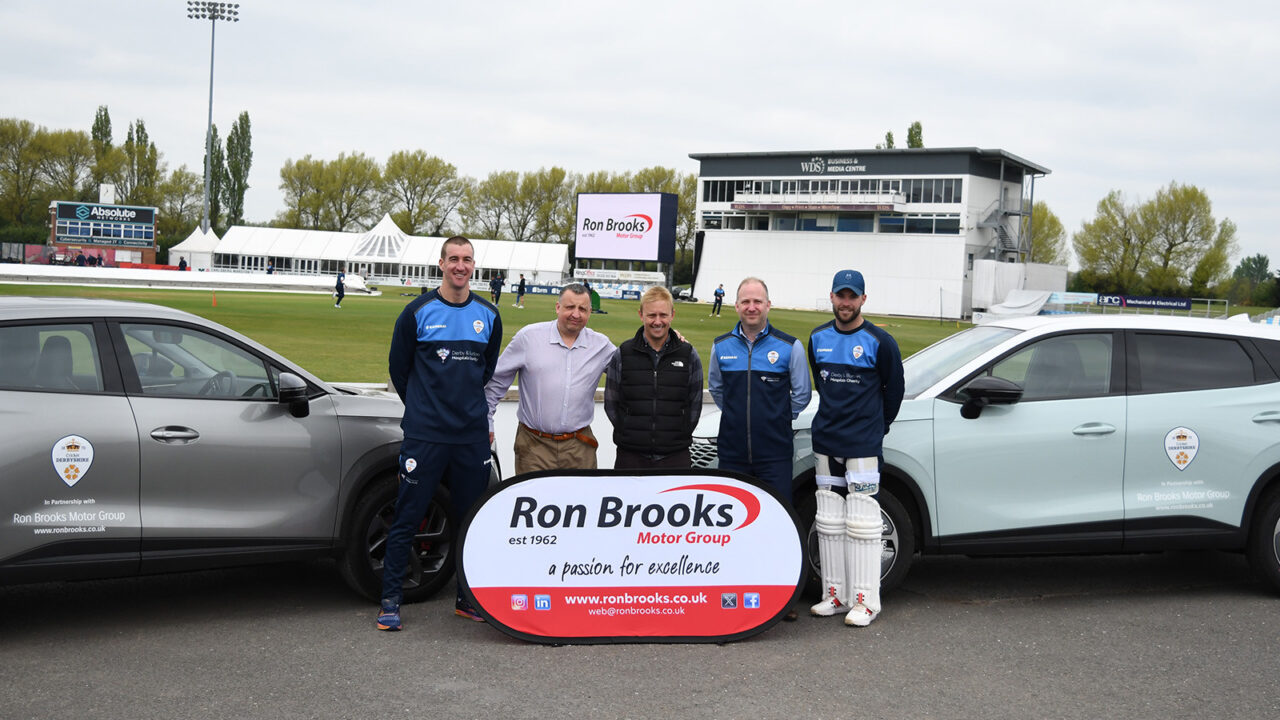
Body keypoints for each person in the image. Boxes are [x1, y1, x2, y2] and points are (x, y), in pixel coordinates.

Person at [378, 236, 502, 632]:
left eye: (467, 259)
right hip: (426, 436)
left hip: (470, 437)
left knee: (471, 519)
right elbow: (399, 370)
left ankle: (466, 599)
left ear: (473, 265)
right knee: (407, 516)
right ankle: (390, 600)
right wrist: (423, 408)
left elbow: (485, 370)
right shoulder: (417, 312)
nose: (460, 266)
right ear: (442, 264)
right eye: (454, 259)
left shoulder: (489, 315)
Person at [807, 269, 904, 628]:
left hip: (862, 442)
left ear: (863, 299)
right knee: (829, 519)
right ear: (832, 297)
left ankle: (866, 601)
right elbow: (823, 383)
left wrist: (877, 428)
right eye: (840, 295)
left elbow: (894, 391)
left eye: (852, 296)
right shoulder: (817, 337)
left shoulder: (880, 341)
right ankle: (835, 595)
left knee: (863, 520)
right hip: (826, 439)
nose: (845, 302)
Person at [485, 283, 616, 474]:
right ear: (557, 307)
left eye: (582, 309)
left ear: (590, 312)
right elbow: (496, 382)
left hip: (579, 448)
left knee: (580, 494)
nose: (576, 314)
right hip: (533, 446)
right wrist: (486, 420)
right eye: (570, 307)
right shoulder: (528, 337)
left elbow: (632, 371)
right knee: (532, 494)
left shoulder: (601, 345)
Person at [709, 277, 811, 501]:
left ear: (768, 305)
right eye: (745, 302)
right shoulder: (720, 346)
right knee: (732, 516)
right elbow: (716, 389)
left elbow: (802, 394)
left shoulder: (790, 346)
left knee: (776, 514)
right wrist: (737, 414)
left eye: (757, 301)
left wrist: (777, 417)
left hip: (775, 457)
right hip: (732, 455)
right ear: (737, 306)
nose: (751, 307)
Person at [604, 287, 703, 469]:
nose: (658, 321)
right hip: (631, 457)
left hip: (675, 457)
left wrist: (677, 435)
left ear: (672, 315)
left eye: (663, 315)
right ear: (641, 315)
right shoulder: (623, 353)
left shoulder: (688, 354)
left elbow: (695, 403)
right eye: (651, 315)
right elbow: (611, 402)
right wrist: (628, 431)